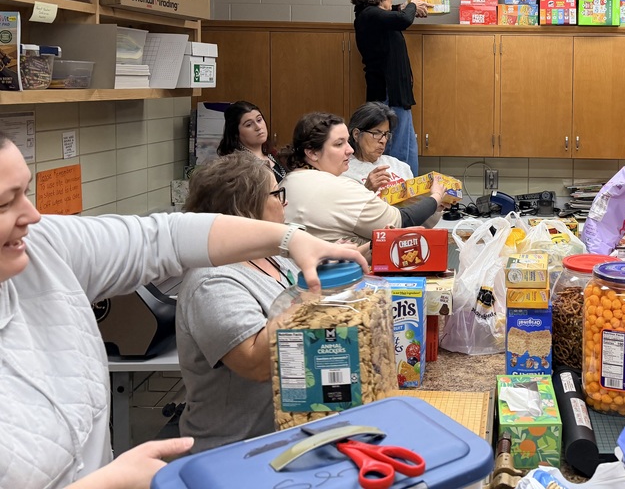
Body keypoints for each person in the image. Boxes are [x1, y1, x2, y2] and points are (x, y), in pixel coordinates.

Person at [0, 132, 368, 489]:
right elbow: (257, 362)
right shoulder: (214, 283)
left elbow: (166, 237)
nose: (32, 215)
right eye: (5, 202)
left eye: (26, 193)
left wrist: (291, 239)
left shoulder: (43, 245)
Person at [176, 152, 298, 453]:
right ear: (245, 209)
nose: (284, 201)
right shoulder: (212, 281)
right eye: (276, 193)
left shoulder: (272, 256)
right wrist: (314, 293)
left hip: (285, 437)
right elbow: (256, 362)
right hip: (236, 450)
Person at [279, 112, 448, 247]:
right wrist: (435, 197)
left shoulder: (288, 182)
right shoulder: (339, 185)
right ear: (312, 153)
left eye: (386, 134)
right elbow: (401, 221)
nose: (350, 150)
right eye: (339, 144)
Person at [351, 0, 428, 175]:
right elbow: (402, 20)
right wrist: (412, 5)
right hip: (388, 94)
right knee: (396, 150)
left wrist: (404, 6)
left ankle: (409, 193)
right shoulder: (368, 15)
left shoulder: (373, 16)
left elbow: (394, 14)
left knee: (408, 148)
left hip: (397, 94)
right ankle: (399, 198)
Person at [342, 101, 414, 191]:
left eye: (386, 134)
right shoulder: (344, 172)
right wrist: (367, 189)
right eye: (376, 133)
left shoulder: (400, 166)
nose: (383, 140)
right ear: (356, 134)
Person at [217, 100, 286, 182]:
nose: (258, 127)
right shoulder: (238, 167)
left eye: (259, 120)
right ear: (235, 133)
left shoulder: (273, 155)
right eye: (249, 125)